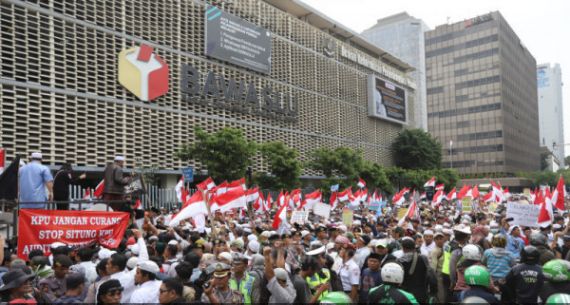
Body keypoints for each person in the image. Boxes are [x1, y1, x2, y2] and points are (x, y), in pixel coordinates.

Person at [398, 237, 436, 303]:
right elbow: (431, 276)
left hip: (404, 295)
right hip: (421, 295)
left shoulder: (399, 261)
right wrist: (433, 292)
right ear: (414, 247)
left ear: (403, 248)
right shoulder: (423, 259)